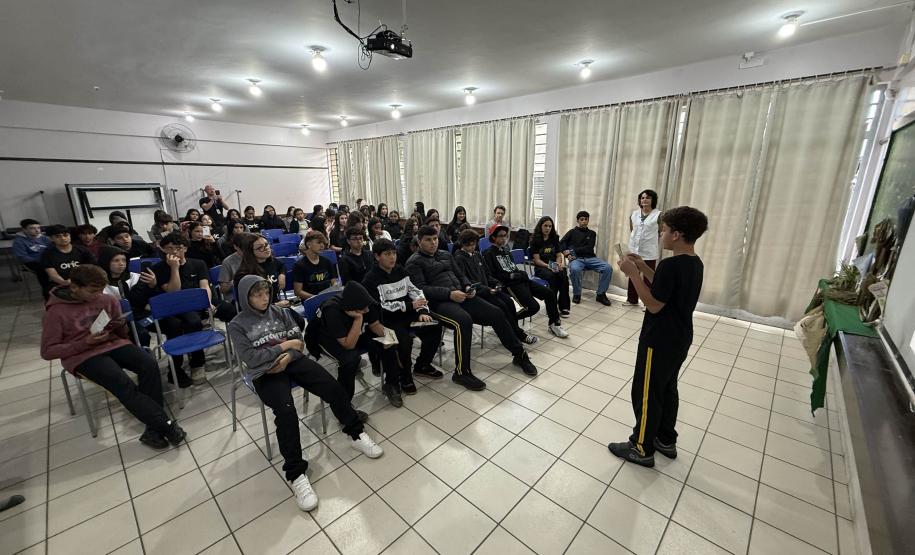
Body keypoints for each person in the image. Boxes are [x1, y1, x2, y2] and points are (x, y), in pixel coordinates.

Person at [229, 275, 383, 511]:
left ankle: (356, 434)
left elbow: (298, 341)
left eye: (266, 293)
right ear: (245, 297)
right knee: (286, 411)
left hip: (292, 361)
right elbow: (251, 358)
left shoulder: (280, 313)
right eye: (257, 295)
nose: (264, 298)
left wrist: (289, 354)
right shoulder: (237, 325)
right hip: (265, 373)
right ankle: (296, 473)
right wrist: (284, 347)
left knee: (333, 388)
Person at [40, 265, 186, 449]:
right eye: (93, 291)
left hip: (113, 343)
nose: (98, 295)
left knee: (148, 364)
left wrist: (119, 324)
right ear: (74, 287)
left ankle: (153, 429)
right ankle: (166, 425)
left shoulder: (106, 299)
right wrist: (85, 342)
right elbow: (48, 352)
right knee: (121, 382)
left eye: (101, 290)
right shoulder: (56, 312)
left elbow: (121, 330)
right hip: (82, 355)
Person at [608, 207, 708, 467]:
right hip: (680, 337)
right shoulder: (692, 263)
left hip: (659, 339)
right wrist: (642, 267)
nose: (660, 234)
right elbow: (666, 287)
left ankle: (641, 447)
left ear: (676, 234)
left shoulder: (671, 265)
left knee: (646, 391)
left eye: (663, 230)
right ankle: (665, 439)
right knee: (667, 387)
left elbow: (654, 304)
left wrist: (632, 275)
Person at [406, 225, 538, 390]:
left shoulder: (446, 255)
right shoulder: (414, 262)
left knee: (496, 313)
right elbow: (421, 289)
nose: (433, 243)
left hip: (460, 295)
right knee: (464, 321)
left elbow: (461, 276)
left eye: (435, 239)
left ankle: (519, 355)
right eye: (428, 240)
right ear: (419, 241)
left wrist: (468, 287)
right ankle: (462, 372)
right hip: (437, 303)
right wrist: (449, 293)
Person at [362, 239, 443, 406]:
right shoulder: (371, 279)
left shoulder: (400, 270)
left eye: (394, 253)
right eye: (387, 254)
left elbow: (414, 290)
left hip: (408, 314)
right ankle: (400, 379)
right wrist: (409, 306)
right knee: (402, 341)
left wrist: (421, 311)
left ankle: (422, 365)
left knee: (434, 327)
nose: (392, 257)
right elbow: (382, 306)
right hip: (388, 320)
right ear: (377, 257)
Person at [307, 281, 399, 407]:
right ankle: (344, 405)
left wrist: (390, 337)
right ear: (351, 307)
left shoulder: (364, 302)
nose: (367, 310)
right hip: (329, 339)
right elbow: (348, 344)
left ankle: (391, 385)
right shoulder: (332, 310)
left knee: (388, 343)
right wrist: (358, 319)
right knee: (350, 360)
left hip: (354, 333)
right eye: (362, 309)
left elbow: (375, 325)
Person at [452, 229, 537, 345]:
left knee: (509, 302)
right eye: (469, 244)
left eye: (474, 244)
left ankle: (514, 333)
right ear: (463, 243)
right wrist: (487, 289)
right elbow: (466, 281)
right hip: (478, 293)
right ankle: (517, 335)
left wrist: (496, 283)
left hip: (489, 290)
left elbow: (487, 274)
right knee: (502, 307)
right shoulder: (459, 258)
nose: (472, 247)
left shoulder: (477, 255)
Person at [483, 225, 570, 339]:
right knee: (533, 307)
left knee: (549, 293)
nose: (504, 239)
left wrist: (519, 274)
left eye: (505, 236)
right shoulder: (488, 253)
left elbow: (513, 267)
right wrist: (512, 276)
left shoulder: (506, 250)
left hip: (520, 279)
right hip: (509, 284)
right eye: (500, 236)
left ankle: (554, 324)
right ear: (493, 237)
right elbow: (493, 275)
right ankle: (506, 321)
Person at [150, 232, 212, 386]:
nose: (173, 252)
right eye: (168, 248)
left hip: (194, 306)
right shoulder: (159, 268)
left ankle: (197, 363)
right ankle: (175, 368)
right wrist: (174, 268)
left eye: (177, 248)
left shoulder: (198, 264)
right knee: (174, 326)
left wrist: (208, 303)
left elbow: (204, 286)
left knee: (194, 322)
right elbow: (173, 291)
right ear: (163, 250)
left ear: (185, 248)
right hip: (170, 307)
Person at [98, 246, 155, 347]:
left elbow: (140, 298)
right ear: (106, 262)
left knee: (173, 323)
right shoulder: (100, 283)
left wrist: (152, 285)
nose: (121, 264)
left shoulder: (134, 276)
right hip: (118, 318)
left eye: (124, 260)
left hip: (138, 311)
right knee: (142, 335)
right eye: (116, 260)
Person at [560, 210, 613, 306]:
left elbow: (589, 248)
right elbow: (561, 244)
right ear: (578, 221)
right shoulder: (572, 232)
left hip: (590, 258)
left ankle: (601, 294)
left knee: (608, 268)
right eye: (581, 219)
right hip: (576, 259)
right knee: (575, 269)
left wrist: (572, 251)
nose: (584, 221)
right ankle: (577, 294)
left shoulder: (592, 233)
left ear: (588, 220)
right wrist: (567, 254)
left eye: (586, 219)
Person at [530, 216, 571, 317]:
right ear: (541, 226)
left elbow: (558, 255)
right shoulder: (535, 240)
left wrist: (558, 264)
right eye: (545, 226)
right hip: (541, 267)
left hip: (553, 264)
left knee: (563, 276)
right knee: (552, 277)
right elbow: (537, 260)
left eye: (550, 226)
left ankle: (564, 306)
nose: (548, 228)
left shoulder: (554, 238)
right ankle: (551, 307)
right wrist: (549, 266)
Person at [40, 225, 96, 300]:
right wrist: (64, 282)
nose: (63, 238)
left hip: (83, 282)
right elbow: (52, 274)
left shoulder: (82, 250)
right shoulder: (47, 254)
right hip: (60, 284)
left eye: (65, 235)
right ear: (51, 238)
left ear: (70, 236)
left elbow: (92, 267)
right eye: (58, 236)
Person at [626, 189, 661, 307]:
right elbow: (632, 230)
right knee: (632, 274)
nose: (644, 200)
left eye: (648, 198)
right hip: (634, 249)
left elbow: (661, 231)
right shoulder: (634, 214)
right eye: (642, 198)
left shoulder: (658, 215)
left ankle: (649, 303)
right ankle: (632, 300)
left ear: (653, 200)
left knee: (648, 277)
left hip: (649, 250)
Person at [233, 235, 285, 305]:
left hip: (276, 306)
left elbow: (282, 266)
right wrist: (276, 305)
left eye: (266, 245)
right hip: (259, 312)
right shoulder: (244, 275)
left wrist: (282, 275)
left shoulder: (270, 261)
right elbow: (248, 305)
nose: (266, 248)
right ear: (250, 252)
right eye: (260, 247)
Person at [292, 231, 338, 300]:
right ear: (308, 244)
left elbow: (334, 283)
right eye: (318, 243)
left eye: (323, 243)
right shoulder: (299, 266)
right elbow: (298, 292)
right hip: (311, 300)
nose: (322, 245)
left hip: (327, 299)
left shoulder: (327, 262)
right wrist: (317, 298)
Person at [13, 218, 52, 298]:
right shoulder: (19, 241)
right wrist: (40, 261)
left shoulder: (45, 238)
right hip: (32, 262)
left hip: (48, 260)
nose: (37, 230)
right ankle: (47, 295)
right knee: (43, 271)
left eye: (38, 228)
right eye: (32, 228)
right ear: (24, 230)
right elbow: (22, 257)